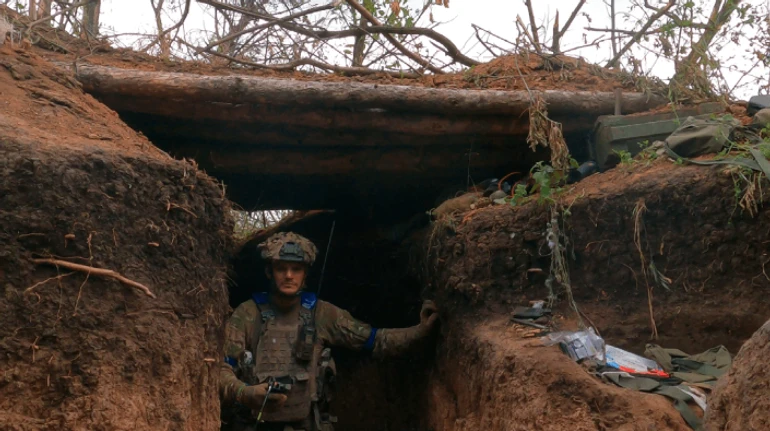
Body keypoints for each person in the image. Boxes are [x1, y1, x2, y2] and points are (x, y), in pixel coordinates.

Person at [220, 232, 439, 431]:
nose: (288, 275)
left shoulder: (322, 314)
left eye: (296, 269)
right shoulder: (248, 314)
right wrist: (245, 393)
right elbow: (220, 371)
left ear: (305, 274)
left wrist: (420, 331)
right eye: (281, 268)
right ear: (269, 271)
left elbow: (376, 339)